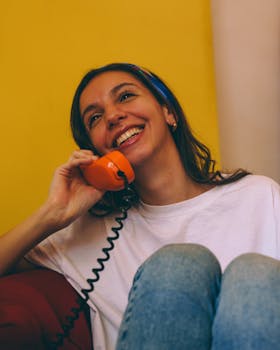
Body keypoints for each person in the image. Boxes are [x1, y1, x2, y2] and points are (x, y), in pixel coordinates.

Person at [0, 62, 280, 350]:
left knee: (254, 273)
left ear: (168, 112)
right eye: (95, 117)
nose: (112, 116)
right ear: (96, 152)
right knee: (179, 264)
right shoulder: (92, 234)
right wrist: (52, 214)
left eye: (125, 96)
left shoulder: (259, 195)